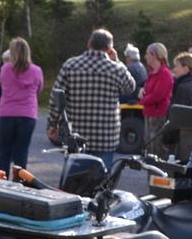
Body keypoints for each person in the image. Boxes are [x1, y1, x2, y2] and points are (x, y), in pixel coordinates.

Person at [47, 29, 136, 168]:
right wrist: (117, 60)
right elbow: (130, 87)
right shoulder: (116, 69)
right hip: (106, 137)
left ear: (89, 44)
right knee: (100, 182)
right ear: (109, 48)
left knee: (74, 183)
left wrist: (52, 125)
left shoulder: (70, 65)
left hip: (76, 135)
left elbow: (55, 98)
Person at [0, 38, 43, 175]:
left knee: (4, 151)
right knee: (21, 151)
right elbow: (39, 89)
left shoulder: (4, 69)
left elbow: (2, 86)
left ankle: (0, 182)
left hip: (7, 113)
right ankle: (20, 183)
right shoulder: (36, 70)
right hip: (27, 113)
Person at [140, 43, 174, 153]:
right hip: (149, 113)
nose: (145, 57)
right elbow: (148, 91)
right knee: (149, 145)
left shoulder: (164, 73)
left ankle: (156, 170)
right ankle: (151, 169)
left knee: (157, 148)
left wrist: (142, 100)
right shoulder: (152, 73)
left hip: (158, 115)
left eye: (147, 54)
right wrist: (142, 92)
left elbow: (157, 95)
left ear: (154, 55)